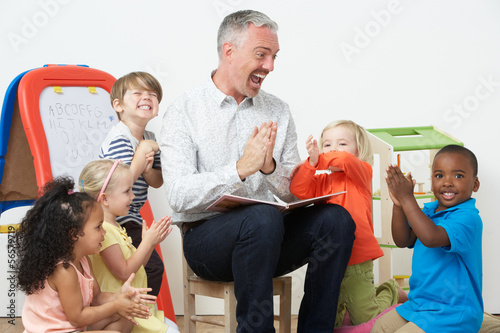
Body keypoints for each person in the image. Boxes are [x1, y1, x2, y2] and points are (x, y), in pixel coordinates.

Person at [159, 9, 356, 332]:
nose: (270, 66)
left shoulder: (277, 110)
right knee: (260, 218)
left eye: (274, 56)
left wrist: (270, 168)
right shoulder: (185, 110)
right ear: (229, 52)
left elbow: (295, 190)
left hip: (270, 238)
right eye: (261, 55)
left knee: (336, 220)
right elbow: (178, 195)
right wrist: (238, 170)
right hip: (207, 243)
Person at [290, 120, 406, 328]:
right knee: (330, 321)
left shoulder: (362, 173)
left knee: (365, 317)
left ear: (358, 150)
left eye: (342, 143)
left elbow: (344, 160)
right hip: (329, 262)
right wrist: (310, 165)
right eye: (327, 145)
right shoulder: (322, 182)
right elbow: (298, 189)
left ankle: (390, 290)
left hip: (358, 262)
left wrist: (319, 159)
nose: (334, 149)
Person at [16, 177, 155, 333]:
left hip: (72, 326)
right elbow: (77, 317)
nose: (104, 232)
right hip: (55, 330)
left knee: (126, 319)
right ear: (74, 234)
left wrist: (122, 296)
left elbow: (97, 299)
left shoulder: (83, 259)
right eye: (98, 227)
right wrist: (116, 306)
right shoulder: (64, 270)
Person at [372, 144, 483, 332]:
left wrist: (408, 199)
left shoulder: (468, 218)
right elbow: (403, 240)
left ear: (475, 184)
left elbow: (431, 237)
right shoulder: (429, 210)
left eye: (458, 175)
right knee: (380, 327)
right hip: (420, 305)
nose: (447, 182)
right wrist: (399, 204)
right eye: (439, 176)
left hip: (453, 312)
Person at [80, 159, 178, 333]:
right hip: (119, 309)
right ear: (104, 199)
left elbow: (136, 267)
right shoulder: (105, 232)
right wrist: (147, 243)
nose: (133, 196)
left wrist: (149, 244)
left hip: (130, 307)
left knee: (173, 327)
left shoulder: (115, 227)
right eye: (127, 191)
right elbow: (125, 273)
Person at [100, 71, 165, 297]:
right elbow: (121, 181)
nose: (146, 97)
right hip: (115, 216)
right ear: (118, 105)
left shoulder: (149, 136)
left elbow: (157, 181)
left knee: (148, 268)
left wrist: (147, 168)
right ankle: (140, 316)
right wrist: (143, 152)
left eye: (153, 94)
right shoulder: (120, 137)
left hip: (131, 215)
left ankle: (139, 316)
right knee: (151, 267)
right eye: (138, 93)